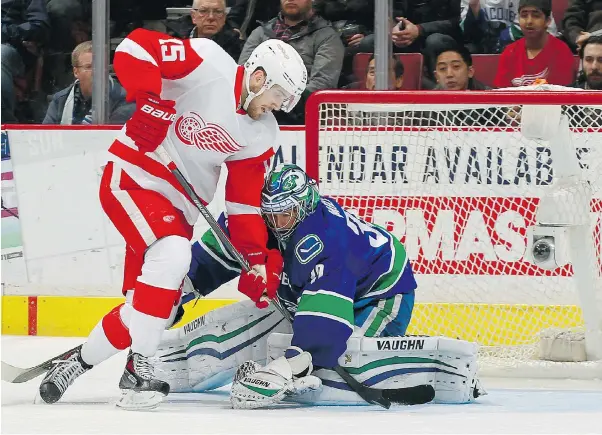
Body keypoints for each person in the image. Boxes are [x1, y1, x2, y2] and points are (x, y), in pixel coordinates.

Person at [37, 30, 307, 410]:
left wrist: (256, 259)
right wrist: (148, 99)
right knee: (175, 257)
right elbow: (135, 47)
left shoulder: (263, 133)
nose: (277, 106)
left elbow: (243, 204)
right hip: (134, 176)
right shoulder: (209, 62)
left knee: (145, 308)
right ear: (259, 77)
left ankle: (77, 361)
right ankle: (138, 369)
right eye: (278, 96)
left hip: (179, 209)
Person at [151, 164, 485, 408]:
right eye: (271, 214)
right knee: (266, 330)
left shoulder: (325, 238)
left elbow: (326, 317)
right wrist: (174, 294)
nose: (277, 223)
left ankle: (428, 364)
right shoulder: (259, 216)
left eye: (286, 214)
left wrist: (287, 366)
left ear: (306, 204)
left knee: (337, 357)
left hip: (382, 293)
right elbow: (214, 254)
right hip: (317, 290)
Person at [239, 0, 344, 125]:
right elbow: (244, 72)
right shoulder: (260, 33)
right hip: (254, 111)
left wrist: (278, 102)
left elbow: (322, 84)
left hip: (301, 119)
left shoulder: (327, 37)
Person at [42, 41, 135, 124]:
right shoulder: (60, 100)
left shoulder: (125, 100)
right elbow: (46, 137)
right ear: (76, 72)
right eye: (89, 67)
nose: (96, 72)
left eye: (100, 66)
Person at [493, 0, 575, 88]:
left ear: (548, 21)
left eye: (536, 16)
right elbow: (502, 95)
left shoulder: (561, 52)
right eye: (524, 16)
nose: (529, 21)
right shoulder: (509, 52)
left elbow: (562, 96)